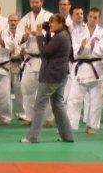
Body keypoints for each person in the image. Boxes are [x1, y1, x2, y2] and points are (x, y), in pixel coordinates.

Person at [21, 14, 75, 144]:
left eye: (53, 23)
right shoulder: (64, 35)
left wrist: (40, 35)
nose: (50, 25)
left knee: (40, 105)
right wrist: (47, 33)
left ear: (61, 24)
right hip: (60, 75)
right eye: (49, 23)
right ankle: (67, 136)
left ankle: (33, 137)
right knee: (58, 105)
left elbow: (44, 53)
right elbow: (51, 48)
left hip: (51, 76)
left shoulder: (60, 37)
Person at [66, 6, 103, 134]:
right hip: (81, 68)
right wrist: (86, 47)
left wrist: (87, 47)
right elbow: (75, 50)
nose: (92, 19)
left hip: (97, 69)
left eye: (95, 17)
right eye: (90, 16)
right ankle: (69, 126)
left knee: (96, 101)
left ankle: (91, 126)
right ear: (87, 17)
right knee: (74, 99)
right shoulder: (77, 31)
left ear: (99, 19)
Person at [15, 0, 53, 124]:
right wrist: (26, 36)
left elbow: (53, 33)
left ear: (41, 2)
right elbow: (18, 38)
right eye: (32, 2)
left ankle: (49, 118)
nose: (35, 4)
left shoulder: (48, 16)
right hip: (30, 59)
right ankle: (29, 116)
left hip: (44, 59)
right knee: (27, 90)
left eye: (37, 2)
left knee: (46, 90)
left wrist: (38, 33)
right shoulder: (25, 19)